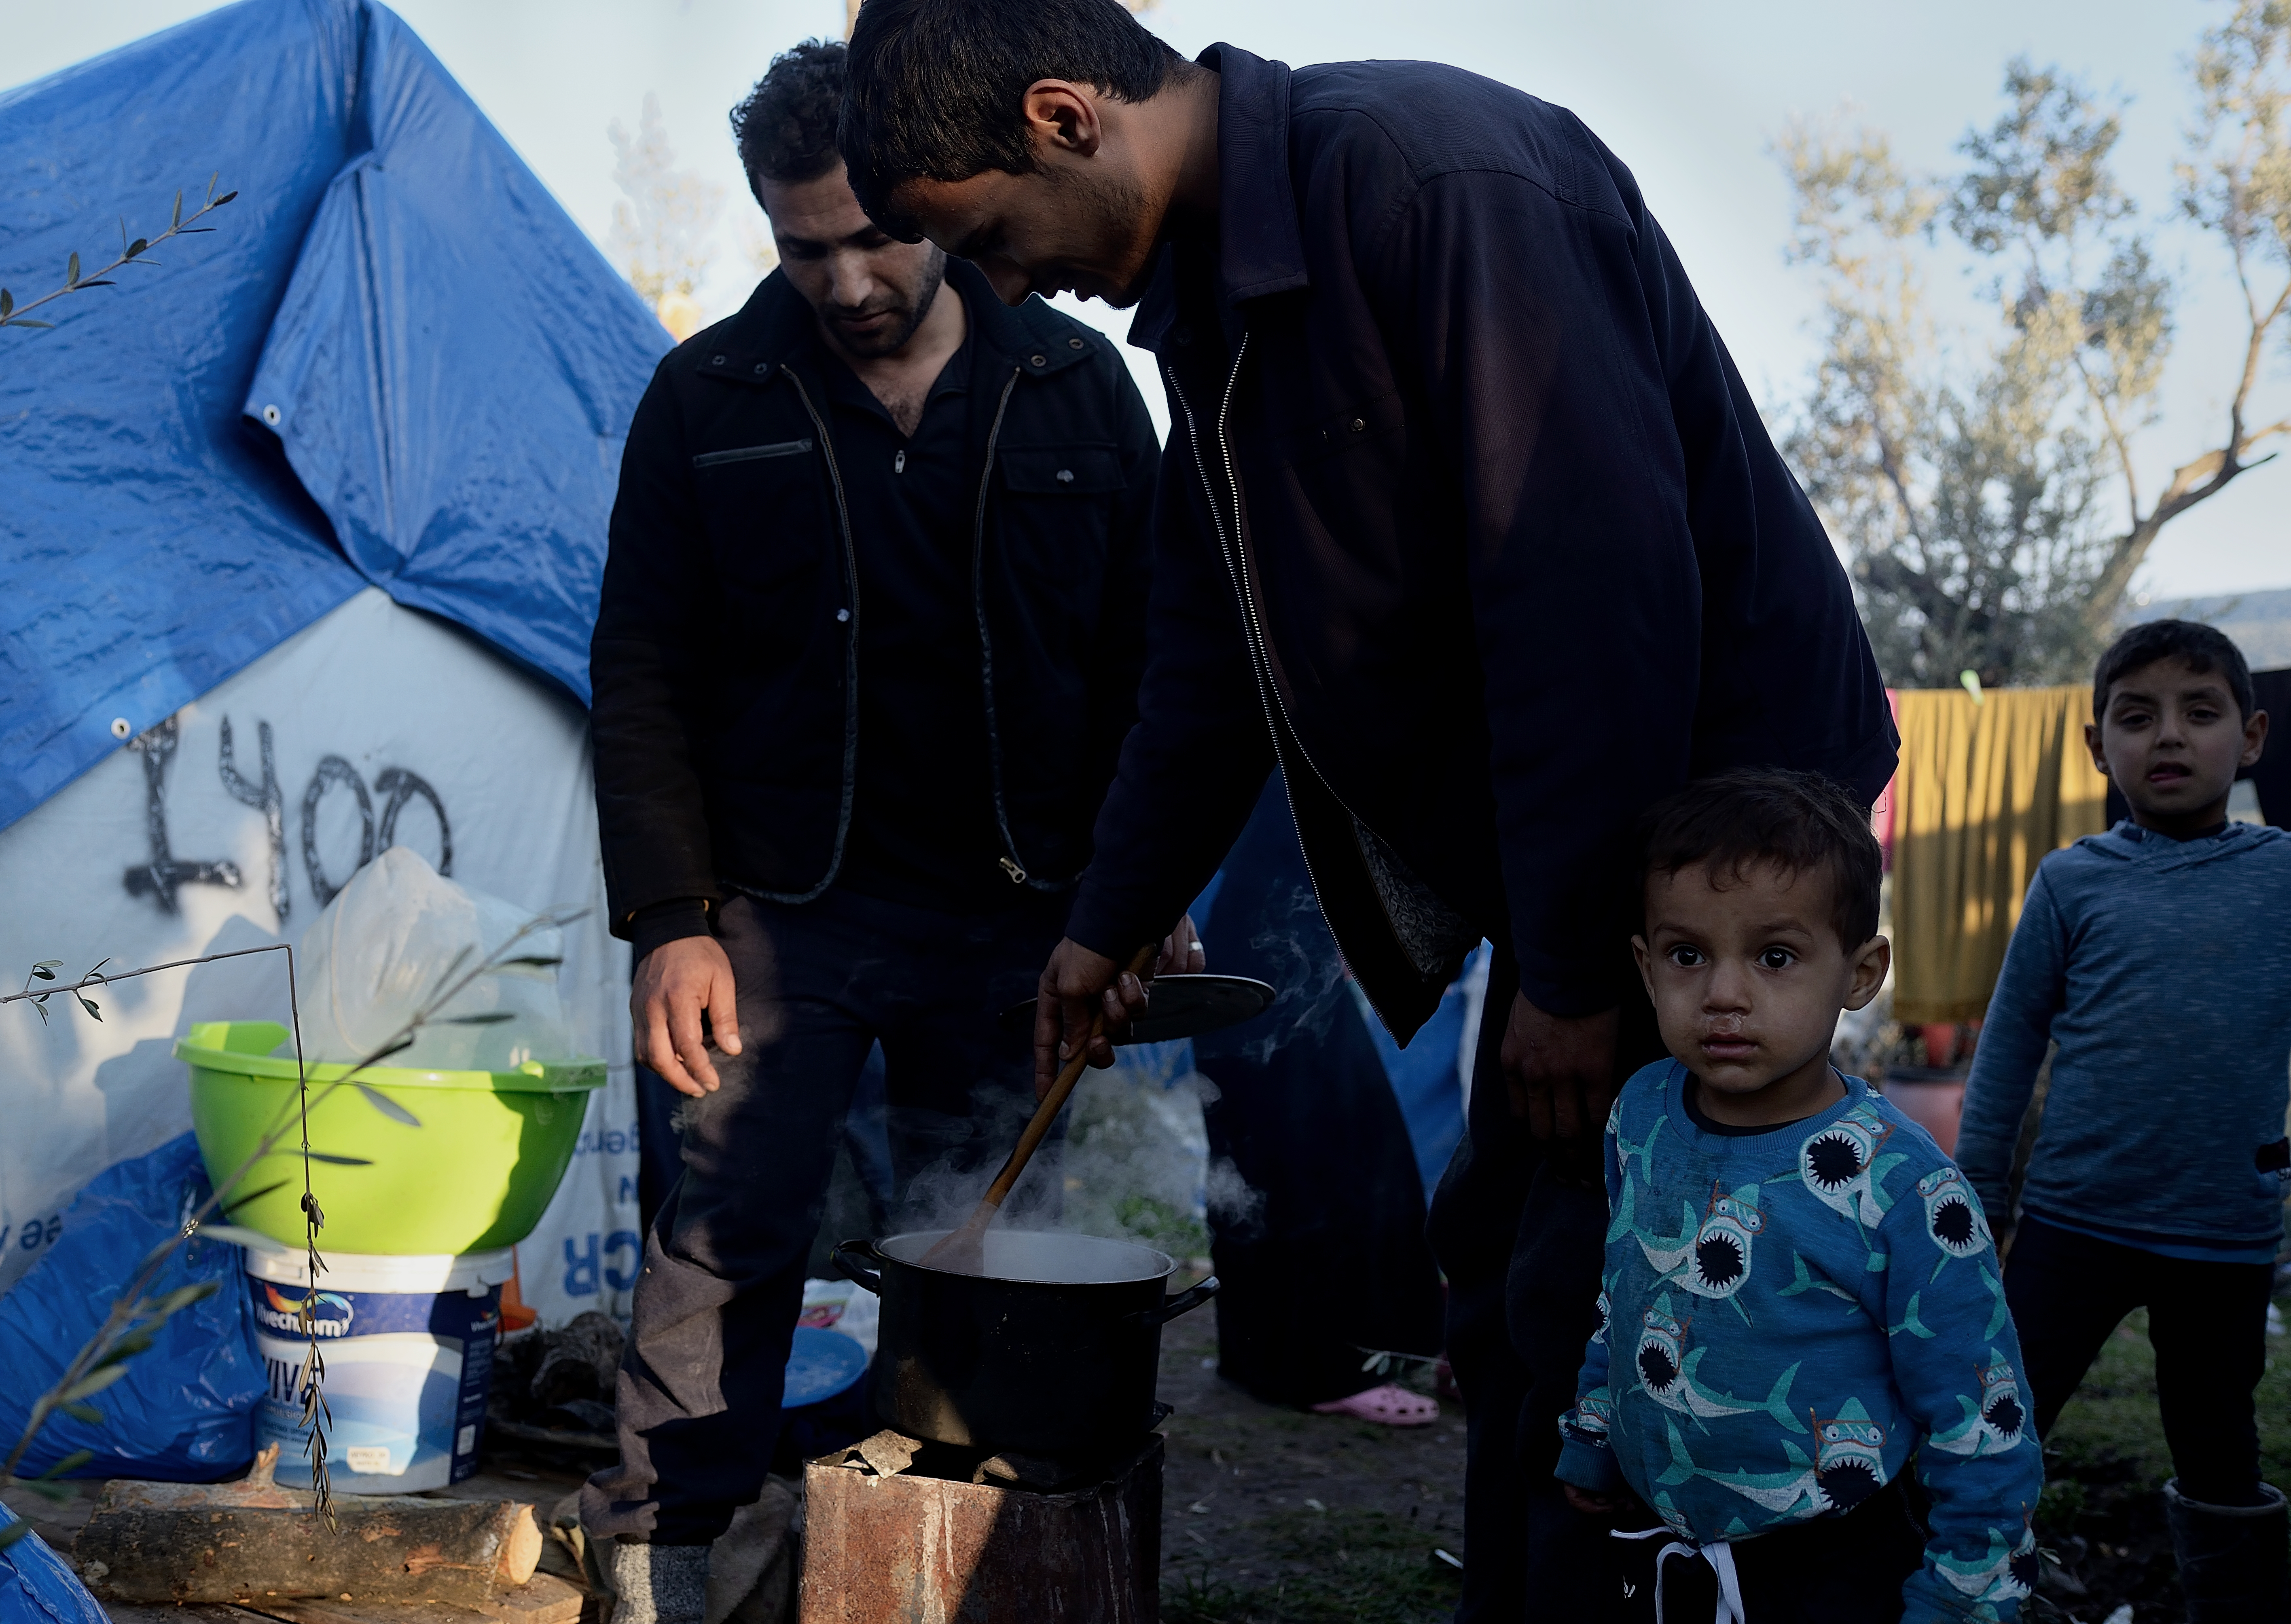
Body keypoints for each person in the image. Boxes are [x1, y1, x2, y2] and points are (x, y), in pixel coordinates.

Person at [835, 4, 1898, 1611]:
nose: (995, 285)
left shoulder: (1426, 188)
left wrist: (1573, 969)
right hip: (1599, 881)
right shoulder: (1207, 306)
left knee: (1617, 1299)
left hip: (1723, 880)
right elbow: (1208, 655)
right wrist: (1106, 921)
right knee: (1515, 1275)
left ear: (1063, 118)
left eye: (981, 236)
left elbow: (1585, 598)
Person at [578, 41, 1185, 1620]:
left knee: (986, 1246)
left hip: (1016, 907)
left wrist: (1141, 891)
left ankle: (962, 1551)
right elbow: (638, 673)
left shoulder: (1077, 385)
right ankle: (663, 1551)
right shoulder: (701, 401)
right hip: (783, 909)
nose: (845, 280)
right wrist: (668, 918)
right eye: (803, 247)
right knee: (723, 1228)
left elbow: (1153, 660)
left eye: (876, 237)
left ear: (930, 200)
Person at [1557, 769, 2041, 1623]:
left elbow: (1979, 1412)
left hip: (1829, 1561)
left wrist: (1963, 1593)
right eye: (1686, 955)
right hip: (1657, 1534)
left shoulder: (1905, 1187)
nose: (1723, 995)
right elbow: (1626, 1292)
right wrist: (1595, 1434)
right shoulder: (1638, 1115)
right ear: (1644, 963)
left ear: (1860, 973)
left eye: (1774, 956)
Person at [1957, 620, 2287, 1621]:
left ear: (2252, 736)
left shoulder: (2283, 874)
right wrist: (1976, 1195)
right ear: (2097, 746)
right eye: (2135, 717)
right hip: (2071, 1219)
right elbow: (2009, 1046)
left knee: (2217, 1442)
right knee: (1999, 1419)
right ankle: (1968, 1583)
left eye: (2200, 712)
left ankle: (2228, 1602)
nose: (2169, 737)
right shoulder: (2069, 881)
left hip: (2221, 1229)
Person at [1190, 772, 1444, 1425]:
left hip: (1304, 935)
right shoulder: (1297, 695)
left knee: (1362, 1142)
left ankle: (1386, 1346)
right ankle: (1309, 1367)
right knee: (1292, 1160)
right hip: (1264, 946)